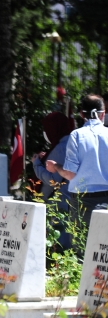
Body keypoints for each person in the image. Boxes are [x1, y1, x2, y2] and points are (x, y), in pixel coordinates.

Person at [46, 94, 108, 228]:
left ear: (81, 114)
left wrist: (55, 166)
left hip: (83, 203)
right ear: (103, 113)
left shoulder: (76, 135)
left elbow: (69, 174)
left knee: (81, 247)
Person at [31, 111, 73, 249]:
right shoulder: (71, 142)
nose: (46, 132)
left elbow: (52, 180)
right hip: (69, 198)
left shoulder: (61, 147)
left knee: (58, 242)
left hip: (57, 201)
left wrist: (36, 164)